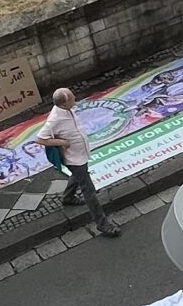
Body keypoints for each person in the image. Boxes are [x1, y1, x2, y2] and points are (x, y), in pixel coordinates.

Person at [35, 84, 120, 237]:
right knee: (89, 190)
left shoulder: (67, 109)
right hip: (73, 157)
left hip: (80, 154)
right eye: (72, 97)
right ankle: (102, 223)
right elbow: (40, 139)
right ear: (64, 103)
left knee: (78, 175)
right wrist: (61, 143)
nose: (75, 98)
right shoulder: (55, 120)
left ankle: (68, 197)